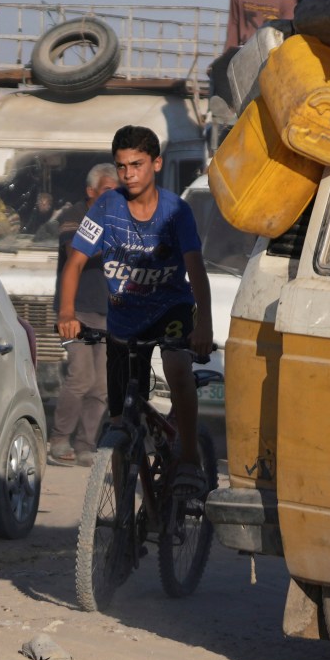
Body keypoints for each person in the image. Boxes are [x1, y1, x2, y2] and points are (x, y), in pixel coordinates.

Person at [57, 126, 215, 494]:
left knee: (177, 368)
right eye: (122, 166)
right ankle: (123, 510)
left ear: (156, 164)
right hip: (124, 317)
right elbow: (75, 262)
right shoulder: (107, 206)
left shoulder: (177, 211)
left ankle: (189, 458)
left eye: (137, 164)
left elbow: (196, 270)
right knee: (119, 419)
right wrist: (67, 313)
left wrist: (203, 325)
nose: (128, 174)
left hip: (171, 308)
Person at [48, 163, 120, 466]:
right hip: (74, 311)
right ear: (91, 192)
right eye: (107, 191)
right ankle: (59, 439)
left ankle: (86, 444)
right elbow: (76, 251)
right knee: (80, 377)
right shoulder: (75, 215)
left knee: (102, 384)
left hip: (108, 312)